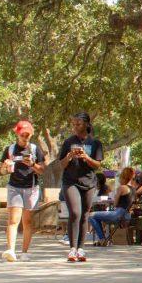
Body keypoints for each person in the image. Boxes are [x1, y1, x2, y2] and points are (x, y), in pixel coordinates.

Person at [58, 111, 104, 262]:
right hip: (70, 181)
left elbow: (97, 165)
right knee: (75, 213)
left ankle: (81, 248)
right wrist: (69, 156)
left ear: (86, 124)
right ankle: (72, 249)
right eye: (74, 124)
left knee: (84, 215)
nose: (75, 127)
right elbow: (62, 164)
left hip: (89, 183)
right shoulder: (68, 142)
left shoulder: (95, 143)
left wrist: (86, 157)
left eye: (78, 124)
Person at [0, 120, 46, 261]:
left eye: (28, 134)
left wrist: (32, 164)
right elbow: (2, 171)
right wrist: (6, 166)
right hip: (14, 187)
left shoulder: (35, 149)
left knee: (27, 222)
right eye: (22, 134)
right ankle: (10, 250)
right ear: (17, 133)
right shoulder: (10, 149)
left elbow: (42, 170)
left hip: (31, 188)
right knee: (13, 220)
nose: (25, 136)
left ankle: (24, 252)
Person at [88, 166, 135, 245]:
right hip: (127, 215)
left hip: (118, 214)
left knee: (91, 215)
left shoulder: (121, 188)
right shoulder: (133, 189)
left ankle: (102, 239)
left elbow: (115, 204)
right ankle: (104, 239)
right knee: (98, 216)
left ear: (123, 177)